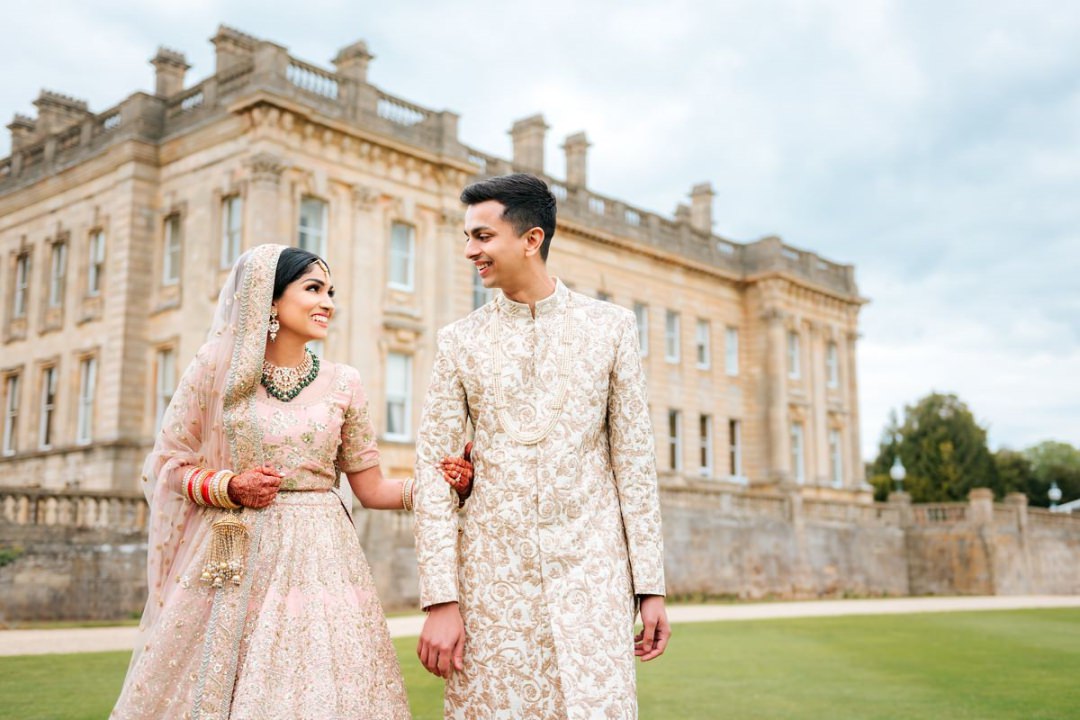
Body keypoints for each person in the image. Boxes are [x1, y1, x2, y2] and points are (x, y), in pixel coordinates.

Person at [112, 244, 472, 720]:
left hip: (325, 555)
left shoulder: (345, 382)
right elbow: (167, 465)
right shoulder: (217, 371)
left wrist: (444, 488)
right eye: (313, 289)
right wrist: (230, 486)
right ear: (270, 298)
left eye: (332, 292)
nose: (328, 302)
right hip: (234, 553)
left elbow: (371, 490)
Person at [413, 174, 671, 719]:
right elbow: (434, 473)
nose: (469, 251)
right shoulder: (458, 342)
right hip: (491, 584)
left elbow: (635, 464)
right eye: (466, 237)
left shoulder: (612, 328)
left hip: (594, 577)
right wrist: (441, 598)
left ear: (531, 239)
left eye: (482, 236)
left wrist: (650, 586)